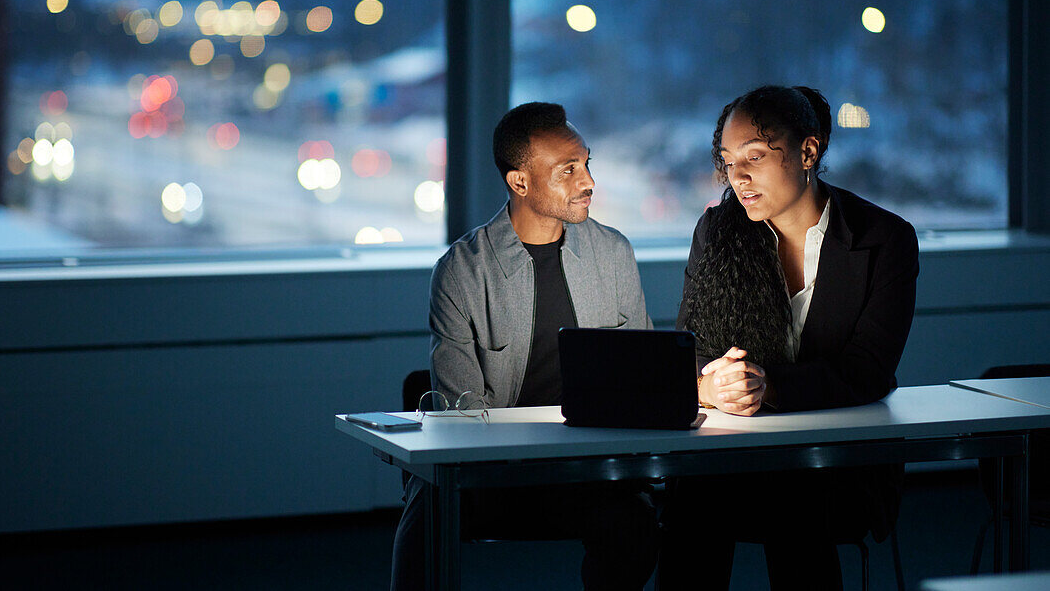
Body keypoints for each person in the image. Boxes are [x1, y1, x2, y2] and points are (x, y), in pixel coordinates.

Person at [657, 85, 919, 591]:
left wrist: (770, 387)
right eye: (728, 160)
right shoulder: (717, 230)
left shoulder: (885, 238)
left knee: (793, 496)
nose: (738, 177)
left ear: (808, 152)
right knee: (695, 497)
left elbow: (868, 371)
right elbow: (688, 351)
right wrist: (711, 386)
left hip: (838, 458)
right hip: (738, 454)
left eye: (755, 156)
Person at [390, 102, 660, 591]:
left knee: (639, 522)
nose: (588, 181)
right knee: (428, 503)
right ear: (520, 183)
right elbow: (463, 414)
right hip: (497, 472)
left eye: (587, 163)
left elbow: (641, 382)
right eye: (568, 170)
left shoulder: (613, 252)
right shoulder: (462, 270)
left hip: (591, 468)